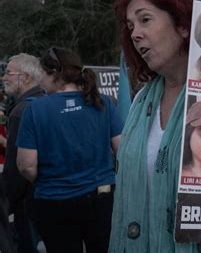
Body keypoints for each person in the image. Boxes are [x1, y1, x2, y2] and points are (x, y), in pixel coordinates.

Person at [16, 48, 122, 253]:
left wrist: (48, 179)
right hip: (102, 197)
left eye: (42, 75)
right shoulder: (103, 103)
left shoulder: (35, 109)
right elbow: (122, 149)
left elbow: (26, 165)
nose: (41, 81)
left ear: (54, 72)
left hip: (55, 200)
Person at [1, 53, 45, 253]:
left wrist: (8, 201)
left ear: (26, 77)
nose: (4, 77)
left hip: (28, 203)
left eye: (9, 73)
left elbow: (18, 167)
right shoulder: (46, 101)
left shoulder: (21, 111)